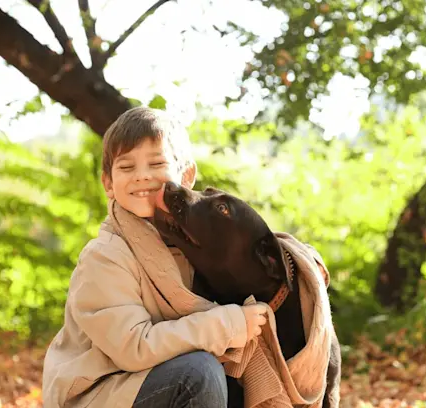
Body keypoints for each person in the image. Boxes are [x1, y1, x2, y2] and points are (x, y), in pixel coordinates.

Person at [42, 106, 268, 408]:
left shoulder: (191, 247)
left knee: (232, 374)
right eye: (126, 167)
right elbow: (135, 347)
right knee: (198, 373)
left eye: (157, 163)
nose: (141, 176)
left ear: (186, 175)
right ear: (108, 184)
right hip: (97, 393)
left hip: (145, 382)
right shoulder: (105, 256)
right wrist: (227, 325)